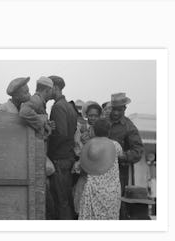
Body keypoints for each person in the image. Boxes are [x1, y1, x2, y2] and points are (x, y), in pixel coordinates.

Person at [78, 119, 123, 220]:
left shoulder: (90, 145)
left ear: (94, 131)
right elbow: (121, 155)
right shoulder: (116, 145)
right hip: (111, 192)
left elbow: (83, 162)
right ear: (109, 131)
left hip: (93, 190)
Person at [47, 75, 78, 220]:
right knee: (65, 200)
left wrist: (49, 152)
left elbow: (61, 134)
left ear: (56, 88)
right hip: (67, 157)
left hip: (60, 159)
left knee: (61, 202)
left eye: (49, 86)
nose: (47, 89)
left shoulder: (58, 107)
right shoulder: (68, 106)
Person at [108, 93, 144, 194]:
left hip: (119, 173)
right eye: (114, 109)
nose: (115, 113)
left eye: (119, 110)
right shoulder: (103, 122)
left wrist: (122, 156)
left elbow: (138, 151)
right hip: (100, 171)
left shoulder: (129, 127)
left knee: (118, 203)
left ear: (125, 108)